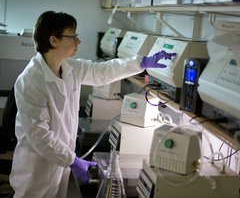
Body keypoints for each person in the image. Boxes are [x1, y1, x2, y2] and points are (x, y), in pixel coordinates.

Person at [9, 11, 176, 198]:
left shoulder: (70, 67)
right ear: (53, 40)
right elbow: (39, 136)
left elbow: (102, 71)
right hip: (37, 169)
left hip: (60, 161)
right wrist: (73, 161)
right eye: (73, 36)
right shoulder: (31, 80)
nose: (78, 41)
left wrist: (141, 62)